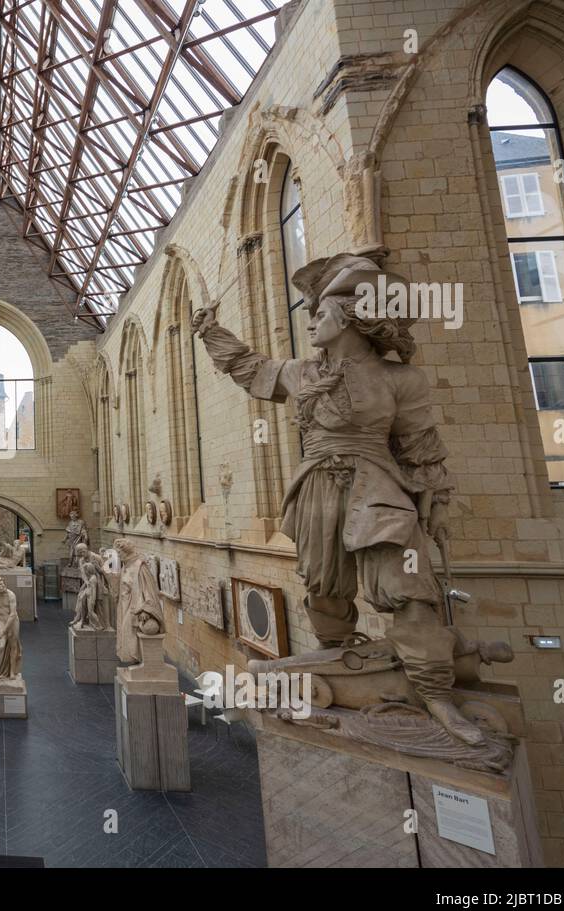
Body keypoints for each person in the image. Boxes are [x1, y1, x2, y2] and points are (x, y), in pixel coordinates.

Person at [191, 251, 481, 745]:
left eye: (320, 314)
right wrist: (210, 332)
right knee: (325, 590)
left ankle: (437, 696)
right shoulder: (304, 374)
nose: (311, 324)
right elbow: (249, 367)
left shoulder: (400, 379)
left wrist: (436, 504)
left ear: (349, 318)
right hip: (316, 490)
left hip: (379, 488)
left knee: (409, 589)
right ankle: (342, 669)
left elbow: (421, 447)